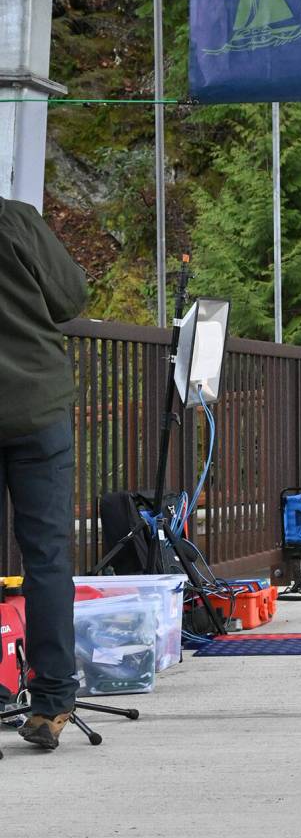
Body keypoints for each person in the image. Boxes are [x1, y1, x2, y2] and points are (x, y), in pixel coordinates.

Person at [0, 197, 88, 750]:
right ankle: (52, 699)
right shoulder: (14, 219)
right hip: (38, 408)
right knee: (47, 558)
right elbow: (70, 297)